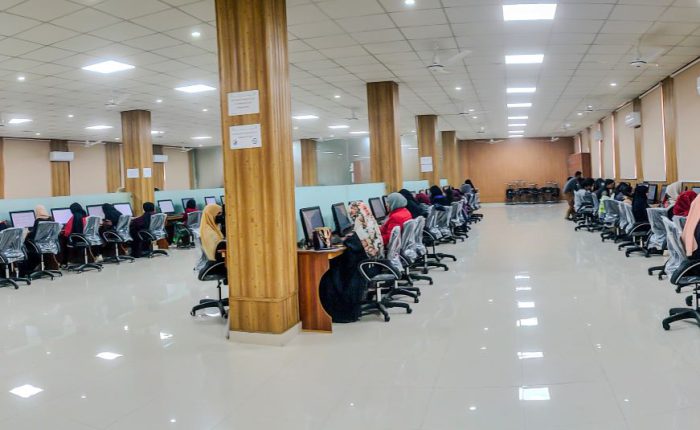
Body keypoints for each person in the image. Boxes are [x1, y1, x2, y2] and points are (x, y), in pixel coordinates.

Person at [320, 201, 383, 323]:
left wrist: (339, 240)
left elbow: (352, 245)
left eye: (353, 215)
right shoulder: (370, 224)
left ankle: (337, 311)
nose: (351, 218)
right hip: (374, 265)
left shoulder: (360, 233)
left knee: (332, 272)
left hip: (364, 268)